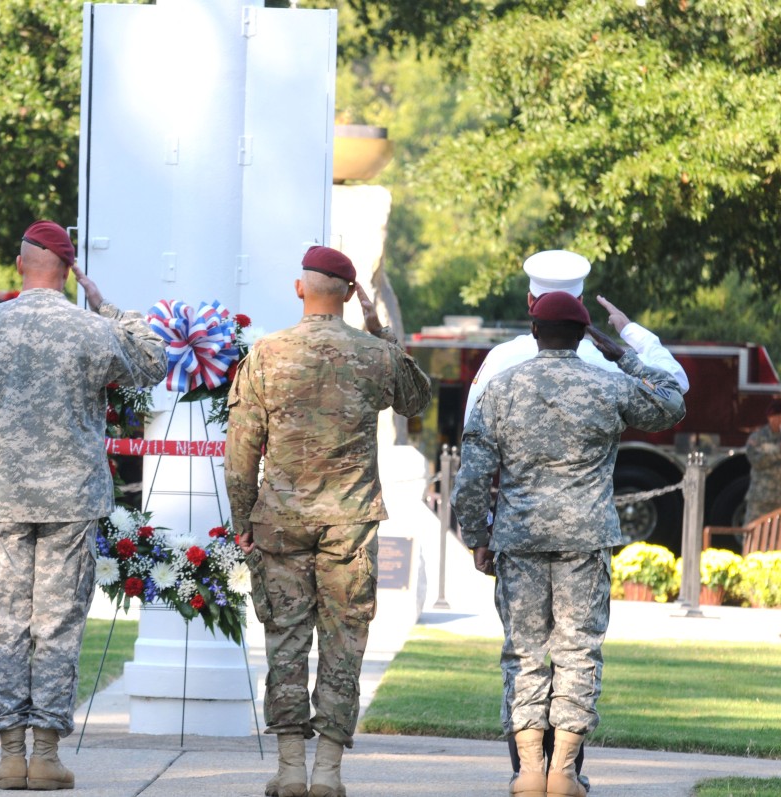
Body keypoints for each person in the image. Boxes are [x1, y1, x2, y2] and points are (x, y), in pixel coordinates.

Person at [0, 220, 166, 791]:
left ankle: (11, 755)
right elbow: (153, 360)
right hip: (72, 499)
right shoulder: (90, 328)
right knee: (58, 626)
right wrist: (105, 303)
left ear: (19, 266)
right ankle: (46, 755)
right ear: (67, 271)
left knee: (7, 624)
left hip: (2, 501)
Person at [451, 292, 685, 796]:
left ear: (534, 332)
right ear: (584, 337)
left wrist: (476, 536)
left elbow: (472, 476)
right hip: (585, 540)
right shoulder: (609, 385)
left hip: (519, 538)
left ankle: (529, 770)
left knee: (524, 652)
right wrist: (622, 350)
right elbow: (671, 400)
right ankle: (564, 773)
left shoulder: (500, 388)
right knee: (579, 652)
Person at [225, 246, 431, 797]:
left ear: (300, 289)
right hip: (349, 522)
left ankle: (291, 769)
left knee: (285, 641)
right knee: (345, 642)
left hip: (280, 521)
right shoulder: (373, 355)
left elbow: (241, 448)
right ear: (349, 293)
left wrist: (241, 519)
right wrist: (381, 332)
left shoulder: (265, 355)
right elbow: (416, 401)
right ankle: (328, 774)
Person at [462, 249, 690, 425]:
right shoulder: (604, 365)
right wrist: (629, 331)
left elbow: (473, 427)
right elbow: (675, 385)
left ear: (530, 301)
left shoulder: (500, 358)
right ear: (580, 305)